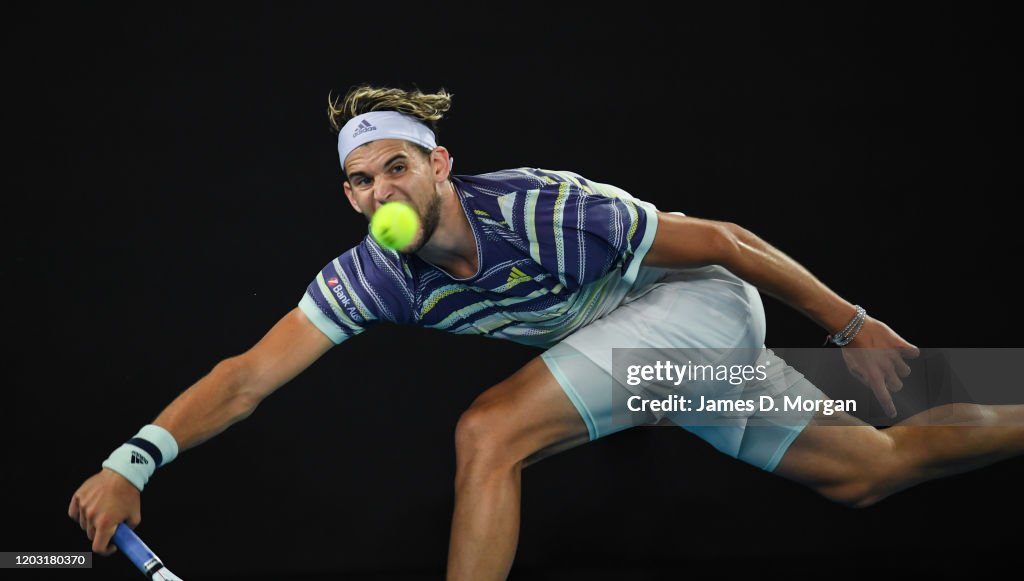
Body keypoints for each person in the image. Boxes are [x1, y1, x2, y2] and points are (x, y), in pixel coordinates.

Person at [69, 85, 1024, 580]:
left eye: (395, 167)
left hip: (694, 306)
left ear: (439, 163)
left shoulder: (544, 208)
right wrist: (133, 460)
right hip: (645, 362)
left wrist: (851, 323)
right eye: (359, 182)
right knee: (871, 469)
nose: (378, 193)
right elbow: (246, 376)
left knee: (490, 431)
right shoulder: (374, 276)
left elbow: (727, 241)